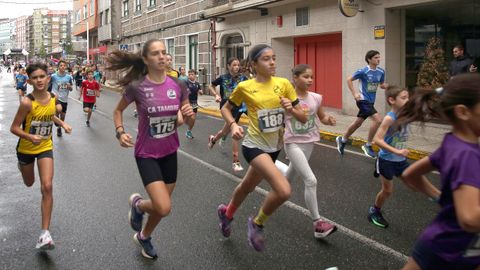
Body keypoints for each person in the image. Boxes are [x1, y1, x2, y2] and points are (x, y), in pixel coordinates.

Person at [108, 39, 194, 259]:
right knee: (163, 207)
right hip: (146, 153)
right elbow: (117, 111)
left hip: (170, 151)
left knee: (160, 206)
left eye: (164, 52)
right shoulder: (137, 87)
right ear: (146, 59)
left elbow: (186, 122)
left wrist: (189, 117)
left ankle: (144, 235)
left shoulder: (179, 85)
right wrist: (120, 132)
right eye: (155, 53)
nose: (162, 57)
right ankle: (138, 204)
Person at [217, 44, 307, 252]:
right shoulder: (245, 87)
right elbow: (225, 108)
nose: (272, 62)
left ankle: (227, 213)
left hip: (274, 146)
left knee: (247, 187)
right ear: (254, 64)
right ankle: (257, 223)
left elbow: (302, 117)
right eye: (266, 59)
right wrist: (233, 124)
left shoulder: (284, 84)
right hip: (254, 146)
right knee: (283, 190)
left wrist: (291, 109)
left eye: (274, 58)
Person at [399, 73, 480, 270]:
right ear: (463, 112)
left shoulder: (453, 142)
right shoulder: (466, 154)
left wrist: (440, 197)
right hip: (448, 250)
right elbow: (469, 218)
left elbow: (410, 174)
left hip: (449, 244)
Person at [10, 63, 72, 250]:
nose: (39, 80)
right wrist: (29, 136)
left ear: (48, 78)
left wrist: (62, 123)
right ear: (29, 80)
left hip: (45, 146)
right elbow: (13, 128)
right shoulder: (27, 102)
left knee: (47, 186)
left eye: (42, 76)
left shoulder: (53, 98)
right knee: (29, 183)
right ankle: (22, 166)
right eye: (35, 77)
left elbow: (49, 115)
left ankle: (45, 234)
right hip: (27, 149)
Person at [368, 86, 440, 228]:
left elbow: (421, 109)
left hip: (400, 161)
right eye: (403, 98)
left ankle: (437, 197)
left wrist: (432, 94)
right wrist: (397, 151)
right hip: (386, 160)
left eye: (408, 97)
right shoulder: (389, 119)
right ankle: (374, 211)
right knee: (387, 191)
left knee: (414, 186)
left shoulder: (406, 114)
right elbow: (377, 140)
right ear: (391, 100)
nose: (407, 100)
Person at [283, 64, 337, 238]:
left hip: (309, 142)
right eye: (306, 77)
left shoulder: (315, 98)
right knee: (310, 180)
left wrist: (329, 120)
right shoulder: (285, 98)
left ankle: (274, 194)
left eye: (311, 77)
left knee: (288, 178)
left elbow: (321, 117)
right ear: (295, 78)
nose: (310, 80)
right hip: (292, 143)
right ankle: (318, 224)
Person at [335, 50, 388, 158]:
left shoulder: (381, 72)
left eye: (379, 57)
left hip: (371, 102)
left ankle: (343, 139)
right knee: (378, 120)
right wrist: (354, 93)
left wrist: (386, 86)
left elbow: (381, 85)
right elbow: (349, 79)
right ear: (369, 59)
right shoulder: (363, 71)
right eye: (376, 58)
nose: (378, 59)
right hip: (363, 100)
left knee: (358, 123)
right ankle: (368, 145)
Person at [207, 57, 248, 172]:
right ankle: (235, 161)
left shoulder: (243, 78)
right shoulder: (223, 78)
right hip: (227, 108)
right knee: (235, 131)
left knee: (225, 131)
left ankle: (213, 139)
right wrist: (216, 95)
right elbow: (211, 85)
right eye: (234, 65)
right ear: (229, 66)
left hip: (240, 106)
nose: (236, 67)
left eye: (238, 65)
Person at [51, 60, 74, 137]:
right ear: (58, 67)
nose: (63, 67)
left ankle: (59, 127)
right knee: (58, 109)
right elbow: (47, 84)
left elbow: (71, 89)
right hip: (56, 97)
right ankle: (56, 118)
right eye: (61, 65)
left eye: (64, 65)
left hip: (65, 99)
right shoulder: (53, 76)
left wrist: (69, 86)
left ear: (66, 67)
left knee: (63, 116)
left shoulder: (68, 77)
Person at [185, 69, 203, 139]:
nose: (190, 76)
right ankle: (185, 120)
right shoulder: (186, 83)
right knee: (191, 117)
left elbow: (200, 91)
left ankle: (189, 131)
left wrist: (201, 92)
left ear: (195, 75)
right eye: (189, 74)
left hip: (194, 102)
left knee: (193, 119)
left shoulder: (197, 84)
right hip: (187, 102)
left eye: (192, 74)